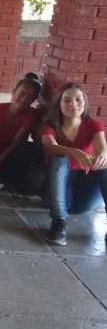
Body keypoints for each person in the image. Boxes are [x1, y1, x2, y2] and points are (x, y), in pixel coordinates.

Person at [41, 82, 107, 246]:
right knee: (60, 158)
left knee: (105, 166)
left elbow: (101, 147)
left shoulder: (93, 125)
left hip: (83, 195)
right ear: (59, 103)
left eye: (78, 99)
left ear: (85, 102)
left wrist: (102, 155)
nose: (73, 104)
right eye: (67, 100)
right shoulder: (49, 126)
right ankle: (58, 223)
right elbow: (50, 146)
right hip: (57, 191)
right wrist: (74, 152)